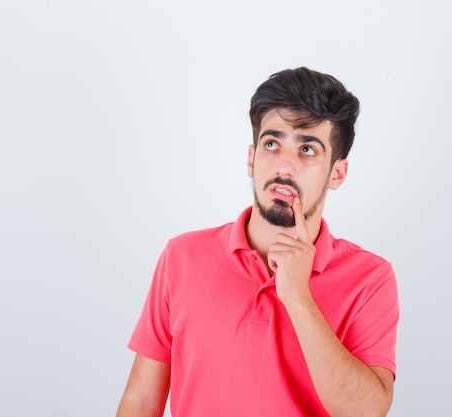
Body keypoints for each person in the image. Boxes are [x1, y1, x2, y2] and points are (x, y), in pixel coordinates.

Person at [116, 67, 399, 417]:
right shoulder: (182, 257)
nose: (284, 165)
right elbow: (141, 402)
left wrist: (298, 298)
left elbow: (366, 411)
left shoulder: (370, 278)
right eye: (271, 144)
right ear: (251, 159)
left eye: (307, 150)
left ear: (337, 173)